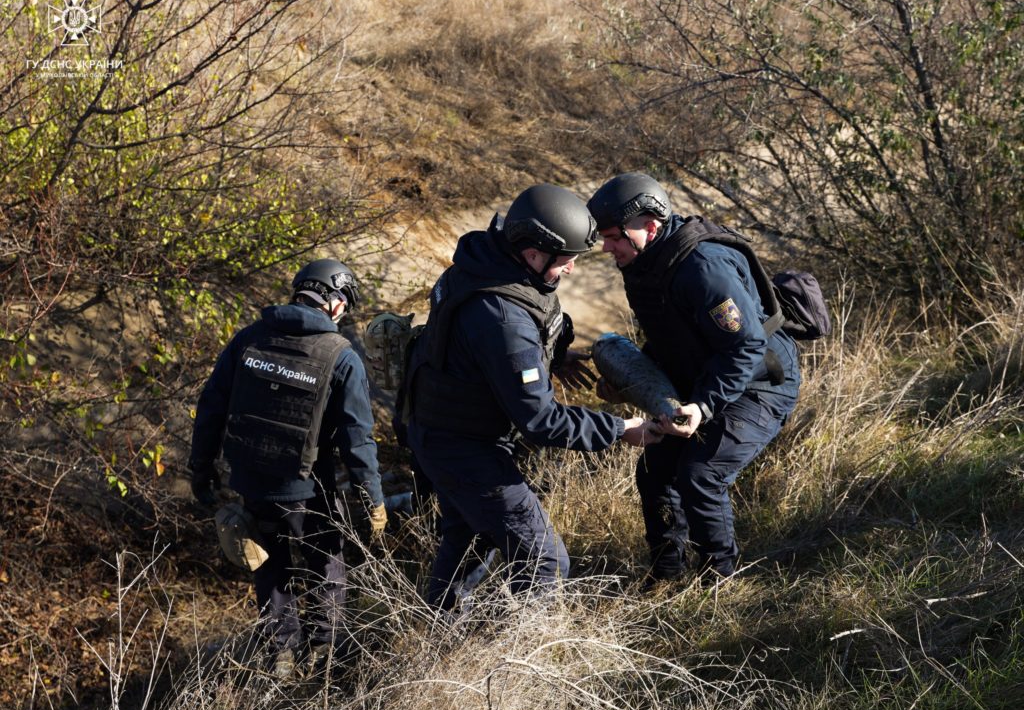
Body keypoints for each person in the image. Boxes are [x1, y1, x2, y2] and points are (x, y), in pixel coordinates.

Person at [403, 183, 661, 612]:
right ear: (533, 252)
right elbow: (540, 420)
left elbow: (485, 351)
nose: (572, 270)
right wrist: (620, 429)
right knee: (544, 561)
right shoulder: (503, 320)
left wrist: (552, 358)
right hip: (464, 448)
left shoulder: (483, 264)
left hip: (440, 430)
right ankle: (518, 661)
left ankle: (442, 641)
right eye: (565, 261)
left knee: (467, 543)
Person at [587, 173, 801, 583]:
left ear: (650, 225)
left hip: (760, 382)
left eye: (614, 237)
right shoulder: (644, 262)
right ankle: (666, 576)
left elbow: (745, 347)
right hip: (705, 376)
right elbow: (673, 335)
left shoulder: (702, 268)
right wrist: (629, 383)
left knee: (701, 476)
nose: (606, 247)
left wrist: (702, 406)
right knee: (654, 474)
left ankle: (717, 584)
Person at [188, 259, 385, 675]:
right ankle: (324, 655)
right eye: (344, 305)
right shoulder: (340, 356)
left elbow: (210, 407)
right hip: (309, 489)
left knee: (268, 566)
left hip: (252, 483)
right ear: (333, 302)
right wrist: (373, 500)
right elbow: (357, 437)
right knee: (326, 564)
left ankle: (280, 653)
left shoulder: (249, 339)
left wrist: (200, 468)